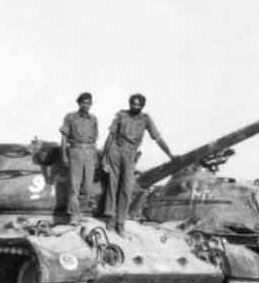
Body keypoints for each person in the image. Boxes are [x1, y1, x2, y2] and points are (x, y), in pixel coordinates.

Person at [102, 93, 174, 236]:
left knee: (127, 189)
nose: (135, 106)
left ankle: (120, 222)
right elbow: (110, 136)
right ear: (130, 104)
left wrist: (170, 154)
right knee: (112, 186)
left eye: (138, 105)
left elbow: (157, 137)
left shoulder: (146, 120)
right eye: (133, 104)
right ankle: (110, 218)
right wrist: (105, 158)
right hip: (116, 150)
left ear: (142, 106)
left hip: (130, 153)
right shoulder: (121, 116)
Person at [60, 92, 99, 224]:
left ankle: (80, 211)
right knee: (74, 185)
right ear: (79, 103)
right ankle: (73, 215)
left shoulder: (93, 119)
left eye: (88, 103)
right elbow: (64, 137)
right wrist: (64, 155)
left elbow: (94, 140)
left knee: (87, 186)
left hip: (89, 152)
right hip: (75, 151)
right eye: (83, 102)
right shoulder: (70, 117)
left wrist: (94, 156)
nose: (86, 105)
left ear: (91, 104)